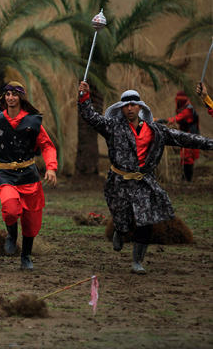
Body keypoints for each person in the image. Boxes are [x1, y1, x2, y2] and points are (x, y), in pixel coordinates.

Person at [78, 82, 213, 274]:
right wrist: (84, 96)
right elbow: (90, 118)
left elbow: (185, 138)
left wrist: (210, 144)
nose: (130, 108)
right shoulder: (112, 126)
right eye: (126, 105)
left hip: (143, 182)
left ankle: (137, 262)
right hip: (119, 182)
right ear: (121, 108)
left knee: (146, 220)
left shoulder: (156, 131)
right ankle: (120, 230)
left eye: (134, 104)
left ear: (140, 107)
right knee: (123, 220)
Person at [0, 82, 58, 270]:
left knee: (31, 222)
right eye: (7, 94)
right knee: (10, 210)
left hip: (29, 176)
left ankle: (26, 256)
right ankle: (12, 235)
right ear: (4, 98)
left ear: (20, 98)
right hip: (6, 174)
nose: (10, 98)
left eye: (14, 94)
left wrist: (51, 168)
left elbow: (47, 146)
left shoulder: (32, 121)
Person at [157, 91, 200, 182]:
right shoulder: (186, 107)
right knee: (184, 157)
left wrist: (159, 120)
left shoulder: (188, 110)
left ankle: (187, 180)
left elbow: (175, 119)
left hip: (190, 136)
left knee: (188, 158)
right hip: (186, 135)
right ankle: (185, 178)